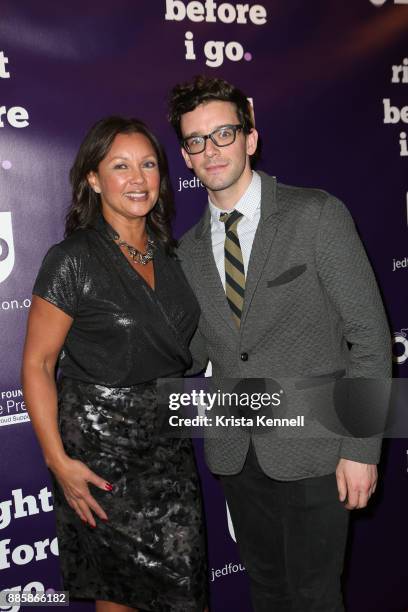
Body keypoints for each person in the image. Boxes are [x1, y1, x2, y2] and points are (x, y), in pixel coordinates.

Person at [168, 76, 391, 611]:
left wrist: (361, 450)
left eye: (223, 133)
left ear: (251, 138)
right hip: (239, 454)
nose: (211, 149)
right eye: (197, 140)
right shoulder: (188, 251)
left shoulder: (316, 214)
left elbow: (370, 338)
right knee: (267, 593)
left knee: (315, 597)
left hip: (319, 446)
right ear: (186, 156)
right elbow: (196, 353)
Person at [22, 116, 207, 612]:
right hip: (98, 454)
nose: (138, 178)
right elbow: (38, 365)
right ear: (93, 179)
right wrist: (58, 462)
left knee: (186, 594)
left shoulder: (171, 255)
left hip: (167, 448)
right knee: (118, 597)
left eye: (148, 165)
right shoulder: (73, 258)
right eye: (120, 165)